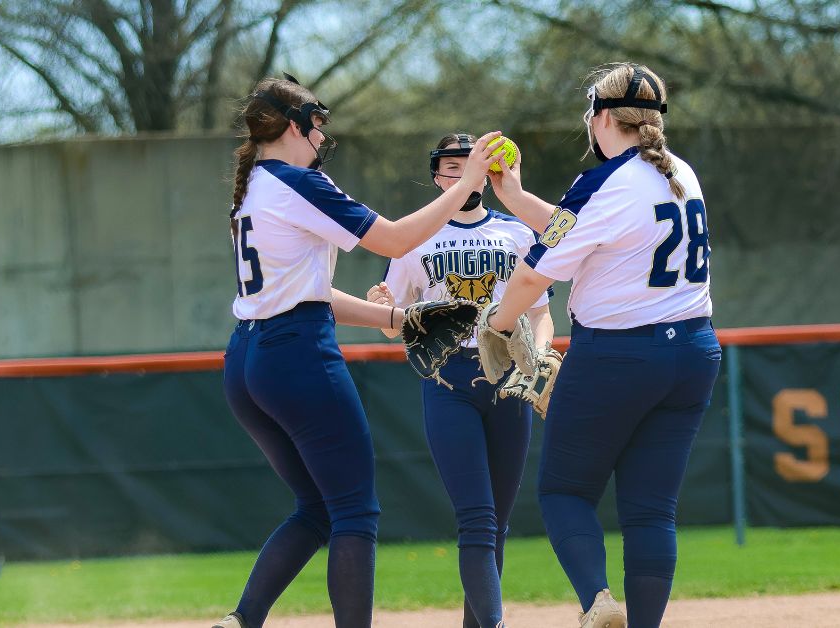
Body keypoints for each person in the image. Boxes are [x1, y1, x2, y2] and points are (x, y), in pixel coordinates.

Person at [214, 76, 502, 628]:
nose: (321, 137)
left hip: (247, 361)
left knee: (319, 508)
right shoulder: (297, 182)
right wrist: (465, 182)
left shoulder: (253, 187)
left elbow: (307, 293)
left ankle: (242, 620)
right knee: (355, 511)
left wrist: (396, 317)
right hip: (296, 356)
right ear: (294, 125)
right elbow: (394, 241)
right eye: (317, 125)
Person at [482, 63, 721, 628]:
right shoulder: (680, 171)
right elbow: (591, 232)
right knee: (651, 512)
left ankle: (598, 603)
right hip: (693, 353)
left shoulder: (604, 182)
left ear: (603, 118)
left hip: (618, 356)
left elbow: (535, 274)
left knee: (565, 491)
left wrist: (497, 325)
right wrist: (514, 197)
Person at [365, 133, 555, 628]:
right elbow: (395, 323)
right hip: (449, 378)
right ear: (436, 175)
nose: (461, 173)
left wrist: (537, 355)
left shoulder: (516, 233)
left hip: (507, 376)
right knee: (477, 518)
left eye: (471, 163)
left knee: (498, 526)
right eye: (451, 166)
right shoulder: (413, 239)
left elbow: (539, 312)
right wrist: (383, 309)